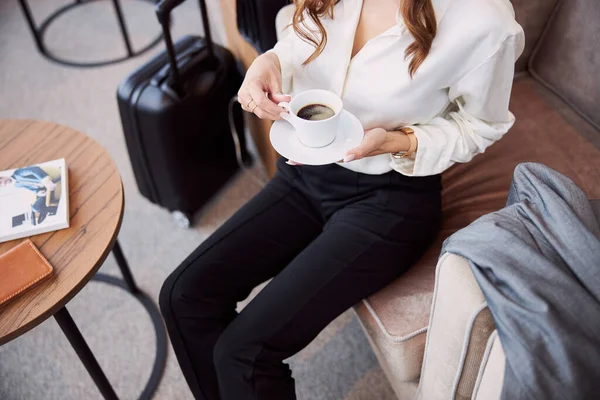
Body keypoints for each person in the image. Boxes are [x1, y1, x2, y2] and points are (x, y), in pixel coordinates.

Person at [159, 0, 525, 398]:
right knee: (183, 296)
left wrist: (399, 141)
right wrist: (272, 61)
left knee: (243, 354)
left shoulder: (482, 19)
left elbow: (481, 125)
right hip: (307, 175)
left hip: (390, 197)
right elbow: (299, 39)